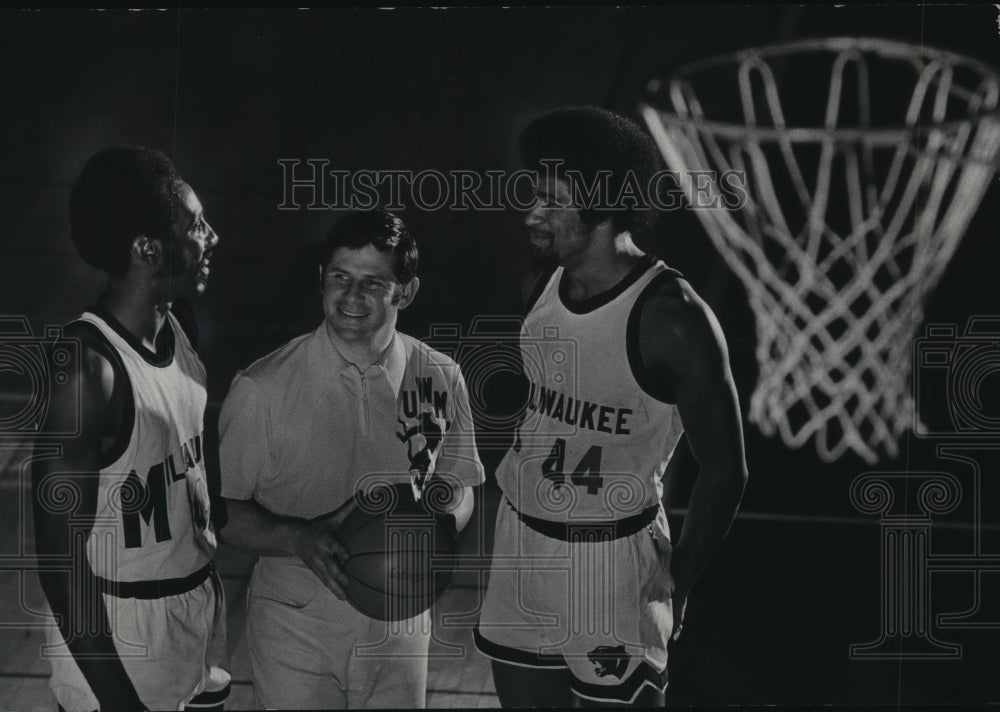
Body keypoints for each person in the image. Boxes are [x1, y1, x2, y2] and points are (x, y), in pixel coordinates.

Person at [474, 106, 749, 706]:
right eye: (533, 195)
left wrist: (679, 580)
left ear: (602, 206)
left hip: (612, 560)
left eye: (551, 201)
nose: (531, 214)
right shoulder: (539, 282)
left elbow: (726, 471)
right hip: (521, 542)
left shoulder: (673, 319)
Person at [218, 208, 484, 709]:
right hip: (296, 620)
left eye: (373, 283)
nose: (352, 296)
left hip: (401, 615)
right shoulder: (262, 389)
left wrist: (440, 525)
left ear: (406, 292)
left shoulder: (441, 376)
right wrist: (298, 538)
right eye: (340, 277)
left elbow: (460, 483)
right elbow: (220, 514)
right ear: (321, 277)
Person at [32, 146, 229, 711]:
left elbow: (200, 495)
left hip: (194, 619)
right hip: (121, 640)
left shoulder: (178, 326)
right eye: (196, 224)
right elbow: (60, 564)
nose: (211, 236)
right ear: (148, 249)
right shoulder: (87, 369)